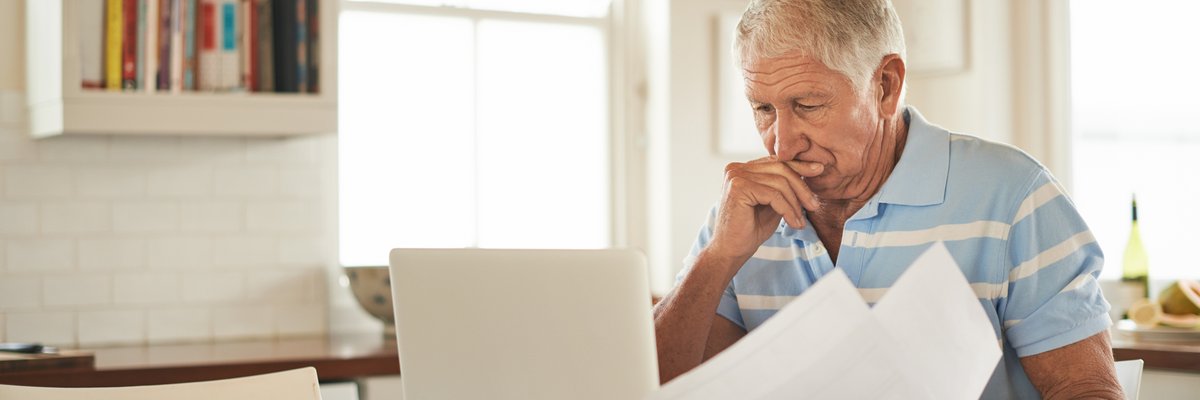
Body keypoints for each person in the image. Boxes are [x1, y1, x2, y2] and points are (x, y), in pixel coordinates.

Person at [651, 0, 1122, 398]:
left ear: (885, 87)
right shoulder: (742, 213)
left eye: (808, 106)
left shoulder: (1014, 196)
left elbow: (1088, 390)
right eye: (763, 109)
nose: (781, 144)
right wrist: (717, 259)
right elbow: (653, 385)